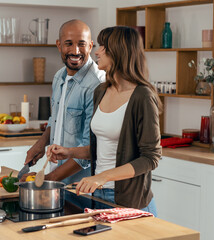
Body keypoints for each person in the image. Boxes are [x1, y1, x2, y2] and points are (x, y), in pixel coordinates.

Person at [47, 26, 162, 215]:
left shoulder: (142, 96)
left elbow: (151, 157)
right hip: (97, 197)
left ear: (119, 52)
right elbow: (100, 148)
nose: (97, 52)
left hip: (129, 201)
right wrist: (69, 152)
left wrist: (103, 177)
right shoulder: (101, 91)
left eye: (103, 47)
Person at [21, 19, 105, 184]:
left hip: (80, 185)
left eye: (81, 44)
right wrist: (41, 143)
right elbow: (56, 119)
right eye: (68, 44)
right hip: (58, 177)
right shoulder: (59, 76)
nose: (75, 51)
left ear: (90, 46)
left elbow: (90, 150)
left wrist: (49, 179)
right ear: (59, 45)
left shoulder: (97, 84)